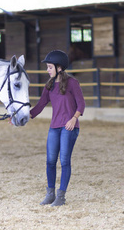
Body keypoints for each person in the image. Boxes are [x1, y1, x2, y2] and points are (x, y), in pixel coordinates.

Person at [30, 50, 85, 206]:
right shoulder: (48, 86)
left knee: (65, 161)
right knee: (50, 161)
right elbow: (40, 106)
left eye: (49, 67)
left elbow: (81, 104)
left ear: (59, 67)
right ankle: (50, 194)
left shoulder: (73, 83)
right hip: (54, 127)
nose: (47, 70)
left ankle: (61, 196)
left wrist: (74, 119)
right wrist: (22, 116)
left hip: (69, 127)